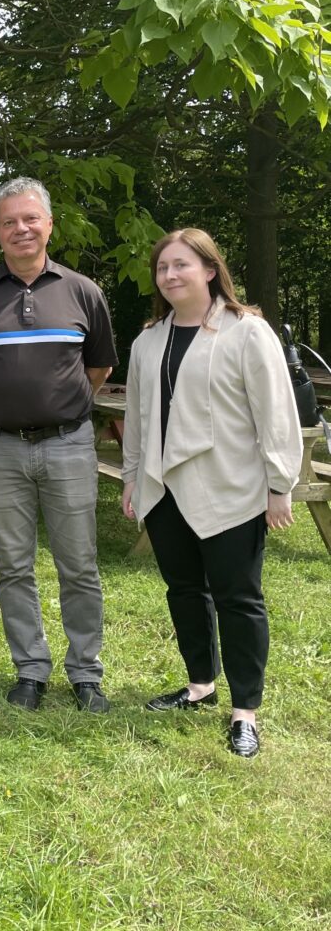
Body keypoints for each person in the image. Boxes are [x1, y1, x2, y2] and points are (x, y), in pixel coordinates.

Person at [121, 228, 302, 757]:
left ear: (208, 269)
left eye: (181, 264)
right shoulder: (148, 339)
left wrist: (279, 484)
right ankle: (200, 684)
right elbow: (138, 416)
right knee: (184, 591)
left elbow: (276, 413)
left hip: (231, 488)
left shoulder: (247, 332)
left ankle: (245, 709)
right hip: (162, 488)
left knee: (238, 598)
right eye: (162, 268)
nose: (170, 275)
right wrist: (132, 475)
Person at [0, 177, 117, 713]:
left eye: (30, 219)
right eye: (9, 221)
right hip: (0, 449)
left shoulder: (83, 291)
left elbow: (98, 367)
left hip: (68, 446)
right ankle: (30, 671)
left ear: (48, 225)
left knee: (80, 564)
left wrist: (58, 410)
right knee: (13, 564)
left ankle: (86, 674)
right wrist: (3, 413)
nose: (21, 228)